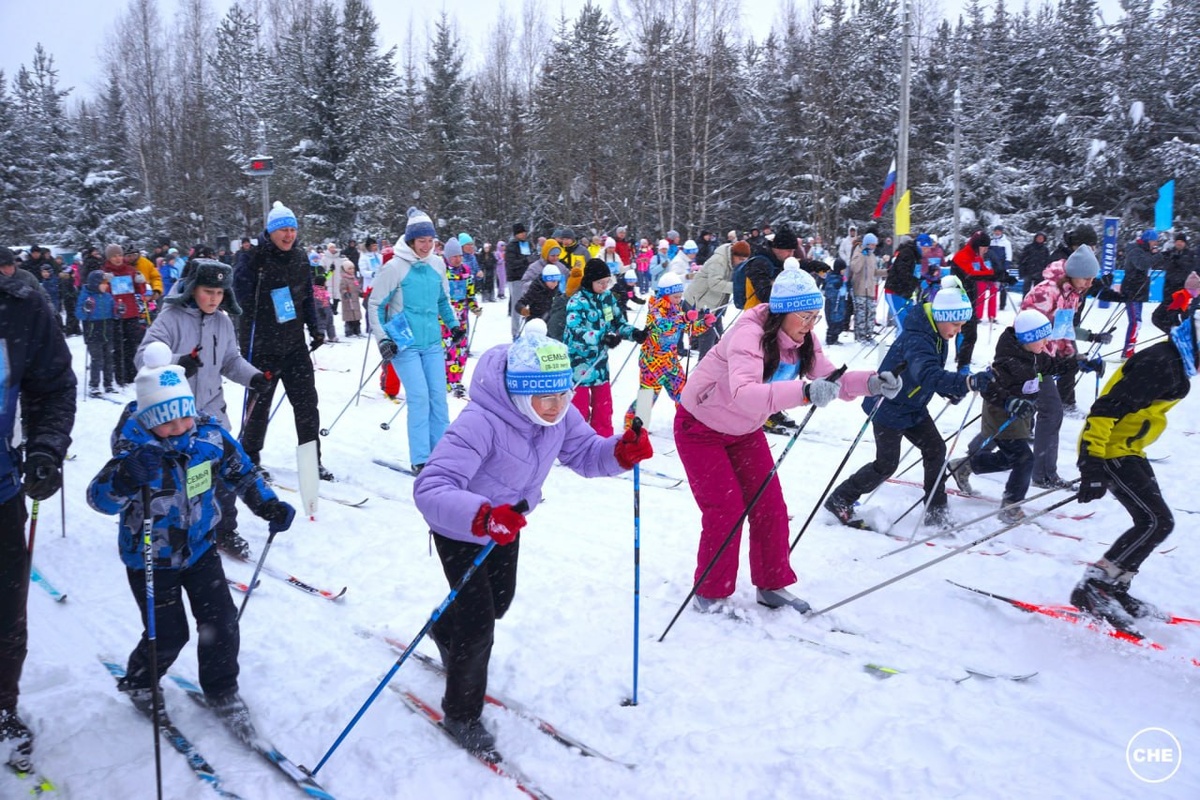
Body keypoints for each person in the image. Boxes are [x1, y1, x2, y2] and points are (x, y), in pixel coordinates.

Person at [412, 319, 652, 756]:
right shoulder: (480, 422)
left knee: (499, 601)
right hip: (462, 527)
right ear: (521, 392)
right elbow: (431, 488)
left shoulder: (559, 414)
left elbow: (585, 452)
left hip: (508, 523)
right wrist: (483, 517)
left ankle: (443, 630)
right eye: (547, 396)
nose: (558, 405)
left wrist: (619, 452)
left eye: (564, 393)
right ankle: (461, 713)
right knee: (479, 622)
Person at [87, 343, 293, 725]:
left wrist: (268, 504)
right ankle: (140, 682)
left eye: (185, 417)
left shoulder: (208, 438)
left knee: (222, 623)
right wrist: (127, 477)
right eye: (167, 423)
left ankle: (221, 690)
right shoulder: (135, 453)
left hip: (200, 549)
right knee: (168, 634)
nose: (180, 428)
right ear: (149, 420)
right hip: (150, 559)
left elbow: (242, 472)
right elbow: (100, 500)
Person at [677, 263, 891, 612]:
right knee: (726, 510)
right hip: (701, 428)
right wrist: (804, 392)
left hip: (744, 430)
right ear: (783, 312)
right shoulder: (748, 334)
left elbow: (830, 378)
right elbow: (745, 394)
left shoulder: (803, 340)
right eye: (805, 316)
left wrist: (870, 383)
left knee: (771, 507)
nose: (810, 325)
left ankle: (772, 585)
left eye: (815, 317)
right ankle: (711, 592)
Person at [1070, 295, 1199, 637]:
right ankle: (1094, 587)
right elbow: (1104, 410)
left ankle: (1115, 586)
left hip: (1128, 447)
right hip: (1108, 448)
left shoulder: (1178, 359)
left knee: (1154, 522)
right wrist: (1092, 464)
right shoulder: (1161, 365)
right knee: (1156, 521)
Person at [825, 276, 991, 529]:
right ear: (942, 316)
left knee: (935, 449)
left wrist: (948, 390)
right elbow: (927, 373)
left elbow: (927, 375)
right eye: (956, 324)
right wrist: (965, 382)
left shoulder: (937, 334)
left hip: (912, 407)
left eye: (961, 326)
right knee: (886, 465)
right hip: (888, 407)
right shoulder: (919, 338)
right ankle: (841, 498)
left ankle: (936, 508)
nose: (958, 331)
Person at [137, 260, 270, 558]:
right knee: (178, 477)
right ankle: (172, 530)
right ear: (191, 289)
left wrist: (254, 377)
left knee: (221, 470)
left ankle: (224, 530)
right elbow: (143, 357)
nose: (214, 298)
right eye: (208, 291)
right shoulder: (170, 318)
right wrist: (178, 363)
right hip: (173, 414)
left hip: (211, 411)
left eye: (220, 293)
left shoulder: (223, 322)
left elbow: (231, 361)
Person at [0, 250, 75, 767]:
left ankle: (2, 705)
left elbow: (52, 387)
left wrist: (46, 447)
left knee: (7, 613)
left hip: (2, 490)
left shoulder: (22, 304)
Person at [947, 309, 1092, 523]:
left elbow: (1052, 366)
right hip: (1000, 414)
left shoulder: (1034, 354)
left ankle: (963, 466)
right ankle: (1011, 506)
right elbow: (989, 388)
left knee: (1010, 459)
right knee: (1024, 460)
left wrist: (1077, 363)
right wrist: (1010, 402)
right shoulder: (1008, 362)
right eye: (1042, 339)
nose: (1046, 344)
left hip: (1020, 415)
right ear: (1028, 339)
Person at [232, 201, 332, 481]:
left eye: (292, 230)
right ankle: (250, 458)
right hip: (263, 346)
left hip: (294, 346)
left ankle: (311, 461)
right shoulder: (253, 258)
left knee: (307, 405)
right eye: (283, 230)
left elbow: (307, 296)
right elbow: (239, 298)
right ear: (271, 231)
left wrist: (316, 328)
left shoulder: (300, 257)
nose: (288, 235)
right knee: (259, 406)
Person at [371, 207, 462, 473]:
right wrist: (383, 339)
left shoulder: (437, 264)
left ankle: (442, 455)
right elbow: (376, 305)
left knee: (438, 398)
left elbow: (442, 300)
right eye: (421, 240)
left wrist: (453, 325)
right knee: (420, 398)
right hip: (404, 344)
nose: (426, 246)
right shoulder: (394, 267)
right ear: (411, 240)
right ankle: (421, 459)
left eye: (430, 240)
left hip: (432, 343)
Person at [1019, 244, 1109, 487]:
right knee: (1049, 412)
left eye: (1092, 279)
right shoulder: (1046, 291)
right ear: (1073, 273)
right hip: (1028, 360)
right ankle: (1042, 474)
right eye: (1086, 278)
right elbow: (1025, 329)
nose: (1089, 283)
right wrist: (1041, 361)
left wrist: (1075, 356)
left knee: (1019, 414)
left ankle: (968, 462)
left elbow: (1063, 330)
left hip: (1045, 360)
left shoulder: (1072, 294)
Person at [564, 259, 647, 436]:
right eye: (600, 282)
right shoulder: (577, 302)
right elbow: (575, 330)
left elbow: (618, 323)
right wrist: (601, 337)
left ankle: (603, 443)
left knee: (603, 409)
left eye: (607, 282)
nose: (604, 286)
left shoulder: (608, 298)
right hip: (579, 363)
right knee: (579, 411)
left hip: (600, 364)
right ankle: (576, 443)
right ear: (590, 281)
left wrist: (634, 333)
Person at [623, 272, 715, 430]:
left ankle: (686, 422)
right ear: (665, 295)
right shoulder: (655, 309)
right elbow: (662, 326)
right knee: (648, 396)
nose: (679, 300)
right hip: (652, 362)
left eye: (680, 296)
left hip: (670, 361)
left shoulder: (676, 309)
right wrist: (684, 318)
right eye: (675, 297)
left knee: (683, 392)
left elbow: (688, 328)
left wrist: (704, 323)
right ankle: (634, 425)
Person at [684, 239, 747, 360]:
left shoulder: (731, 263)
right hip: (698, 302)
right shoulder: (719, 261)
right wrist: (737, 287)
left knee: (718, 338)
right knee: (708, 337)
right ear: (733, 255)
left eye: (744, 260)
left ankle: (712, 364)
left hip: (713, 306)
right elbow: (714, 284)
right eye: (740, 259)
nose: (742, 262)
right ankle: (703, 366)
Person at [442, 238, 482, 398]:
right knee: (450, 351)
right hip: (446, 320)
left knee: (462, 350)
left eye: (459, 256)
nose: (458, 259)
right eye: (454, 256)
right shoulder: (443, 271)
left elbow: (470, 294)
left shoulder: (466, 271)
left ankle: (457, 379)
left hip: (462, 318)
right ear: (447, 257)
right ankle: (449, 381)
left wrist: (474, 307)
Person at [949, 231, 993, 372]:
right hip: (959, 299)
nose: (986, 250)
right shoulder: (962, 256)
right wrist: (992, 274)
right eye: (984, 247)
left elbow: (984, 271)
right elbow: (972, 274)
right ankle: (962, 365)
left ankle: (963, 365)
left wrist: (999, 276)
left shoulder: (976, 256)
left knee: (969, 334)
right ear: (977, 245)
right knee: (967, 333)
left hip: (970, 298)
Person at [1117, 229, 1164, 359]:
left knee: (1137, 322)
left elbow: (1149, 263)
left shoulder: (1144, 251)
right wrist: (1157, 256)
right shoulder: (1135, 250)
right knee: (1135, 322)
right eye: (1153, 241)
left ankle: (1129, 350)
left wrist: (1163, 257)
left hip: (1139, 292)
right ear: (1148, 240)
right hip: (1132, 291)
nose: (1155, 244)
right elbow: (1142, 265)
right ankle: (1127, 351)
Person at [77, 269, 117, 397]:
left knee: (109, 358)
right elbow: (79, 314)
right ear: (95, 284)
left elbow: (114, 311)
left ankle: (108, 383)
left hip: (107, 330)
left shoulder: (108, 296)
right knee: (97, 359)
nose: (106, 286)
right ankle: (94, 385)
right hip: (93, 331)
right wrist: (86, 309)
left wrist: (119, 310)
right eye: (103, 283)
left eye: (106, 283)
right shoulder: (86, 296)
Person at [848, 233, 887, 342]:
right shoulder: (858, 252)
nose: (874, 247)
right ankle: (860, 337)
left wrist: (887, 272)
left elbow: (874, 272)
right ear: (866, 244)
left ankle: (868, 335)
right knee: (861, 314)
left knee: (871, 313)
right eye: (872, 245)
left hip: (870, 289)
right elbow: (855, 268)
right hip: (859, 289)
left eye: (875, 245)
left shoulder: (872, 256)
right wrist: (862, 256)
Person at [883, 234, 922, 330]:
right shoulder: (907, 253)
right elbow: (903, 272)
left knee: (909, 323)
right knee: (903, 324)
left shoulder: (916, 255)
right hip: (895, 291)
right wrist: (913, 282)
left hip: (905, 293)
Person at [505, 224, 534, 340]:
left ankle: (530, 330)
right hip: (516, 279)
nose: (523, 234)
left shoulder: (527, 244)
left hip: (528, 277)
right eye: (521, 232)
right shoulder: (511, 246)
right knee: (516, 306)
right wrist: (525, 260)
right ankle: (515, 333)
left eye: (524, 232)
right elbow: (511, 263)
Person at [823, 256, 849, 345]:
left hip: (839, 304)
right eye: (843, 269)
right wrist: (837, 285)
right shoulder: (833, 278)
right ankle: (830, 339)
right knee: (833, 322)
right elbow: (829, 291)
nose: (844, 271)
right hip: (833, 305)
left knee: (839, 322)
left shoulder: (841, 278)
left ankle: (835, 338)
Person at [1017, 232, 1051, 297]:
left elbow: (1047, 261)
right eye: (1038, 237)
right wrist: (1021, 270)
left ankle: (1036, 302)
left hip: (1040, 272)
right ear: (1035, 238)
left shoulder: (1045, 249)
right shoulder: (1028, 247)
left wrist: (1046, 271)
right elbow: (1022, 259)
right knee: (1026, 290)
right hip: (1028, 271)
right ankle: (1025, 301)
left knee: (1038, 290)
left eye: (1041, 238)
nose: (1040, 239)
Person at [1162, 233, 1195, 298]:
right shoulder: (1169, 253)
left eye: (1181, 242)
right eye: (1177, 241)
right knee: (1167, 303)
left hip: (1182, 285)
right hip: (1169, 285)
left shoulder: (1190, 254)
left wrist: (1179, 261)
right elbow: (1164, 265)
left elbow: (1190, 267)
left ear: (1185, 243)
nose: (1179, 243)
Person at [339, 259, 364, 337]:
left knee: (356, 315)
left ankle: (357, 330)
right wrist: (345, 293)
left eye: (353, 268)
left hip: (355, 299)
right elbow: (342, 288)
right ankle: (349, 331)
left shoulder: (354, 278)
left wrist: (360, 292)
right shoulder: (344, 279)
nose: (352, 270)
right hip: (348, 300)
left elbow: (357, 286)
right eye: (349, 269)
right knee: (349, 316)